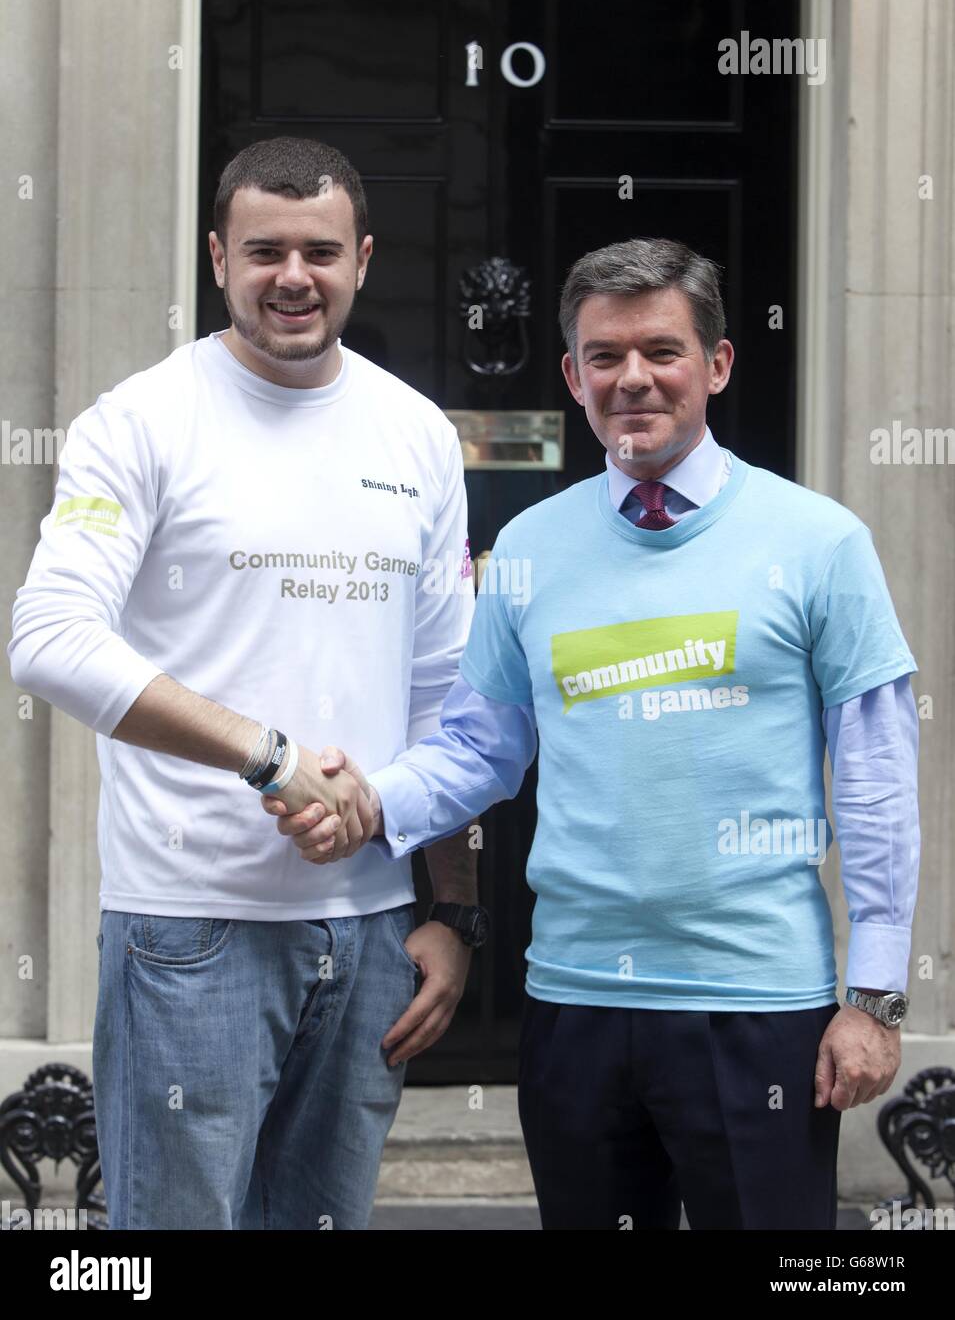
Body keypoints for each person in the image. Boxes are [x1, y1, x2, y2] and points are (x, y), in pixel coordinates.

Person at [266, 237, 920, 1231]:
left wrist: (871, 1000)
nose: (634, 378)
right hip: (574, 1004)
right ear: (572, 375)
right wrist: (366, 799)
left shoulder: (819, 540)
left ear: (717, 364)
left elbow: (875, 776)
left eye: (661, 350)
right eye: (604, 356)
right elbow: (479, 750)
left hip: (756, 1006)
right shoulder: (528, 547)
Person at [7, 135, 484, 1230]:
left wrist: (453, 908)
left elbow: (444, 693)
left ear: (362, 257)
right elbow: (47, 637)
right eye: (262, 249)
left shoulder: (414, 433)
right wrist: (269, 757)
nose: (292, 277)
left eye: (320, 250)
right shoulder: (139, 422)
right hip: (189, 927)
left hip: (370, 933)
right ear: (217, 257)